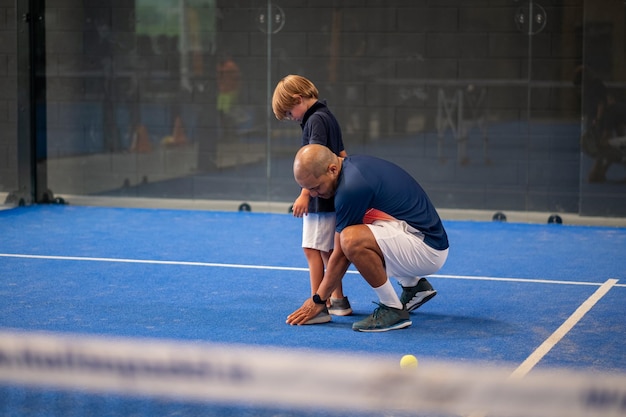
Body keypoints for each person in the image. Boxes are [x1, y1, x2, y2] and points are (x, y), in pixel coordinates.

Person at [286, 144, 449, 332]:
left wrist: (318, 300)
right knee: (363, 230)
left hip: (427, 249)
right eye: (307, 189)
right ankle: (414, 286)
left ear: (332, 170)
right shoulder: (351, 166)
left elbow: (341, 255)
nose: (314, 195)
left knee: (352, 239)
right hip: (420, 237)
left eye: (315, 188)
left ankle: (392, 309)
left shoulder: (350, 189)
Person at [272, 75, 352, 324]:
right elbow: (341, 154)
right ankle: (337, 300)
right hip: (331, 193)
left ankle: (320, 306)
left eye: (288, 112)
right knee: (328, 251)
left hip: (320, 198)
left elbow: (314, 161)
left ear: (298, 99)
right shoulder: (325, 115)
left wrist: (305, 193)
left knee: (312, 249)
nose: (290, 118)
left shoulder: (315, 120)